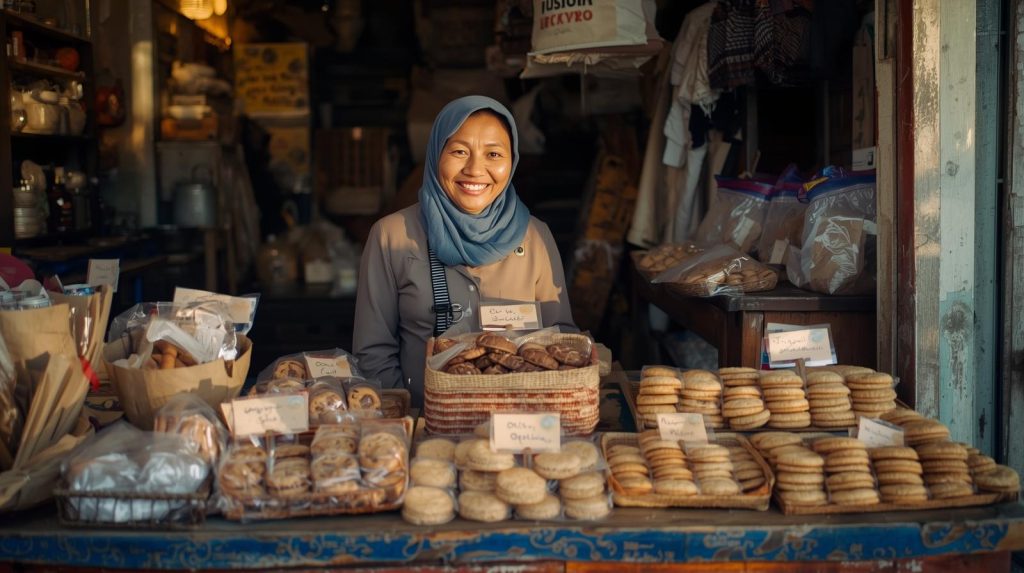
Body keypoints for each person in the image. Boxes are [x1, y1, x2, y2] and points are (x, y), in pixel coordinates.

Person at [353, 95, 576, 405]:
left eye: (493, 154)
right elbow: (372, 354)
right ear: (436, 154)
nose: (475, 169)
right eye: (459, 151)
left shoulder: (535, 236)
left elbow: (560, 340)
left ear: (512, 161)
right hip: (425, 422)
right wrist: (414, 414)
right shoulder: (391, 236)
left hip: (518, 421)